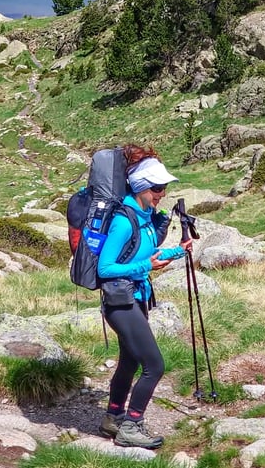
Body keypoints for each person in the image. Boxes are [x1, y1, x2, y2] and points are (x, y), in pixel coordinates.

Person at [97, 148, 191, 449]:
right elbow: (105, 268)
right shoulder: (124, 222)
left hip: (135, 297)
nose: (162, 194)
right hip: (120, 302)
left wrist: (179, 251)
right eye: (158, 188)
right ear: (141, 187)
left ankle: (113, 418)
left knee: (129, 362)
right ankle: (131, 426)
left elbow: (147, 254)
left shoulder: (145, 217)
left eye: (163, 188)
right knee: (154, 366)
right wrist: (144, 267)